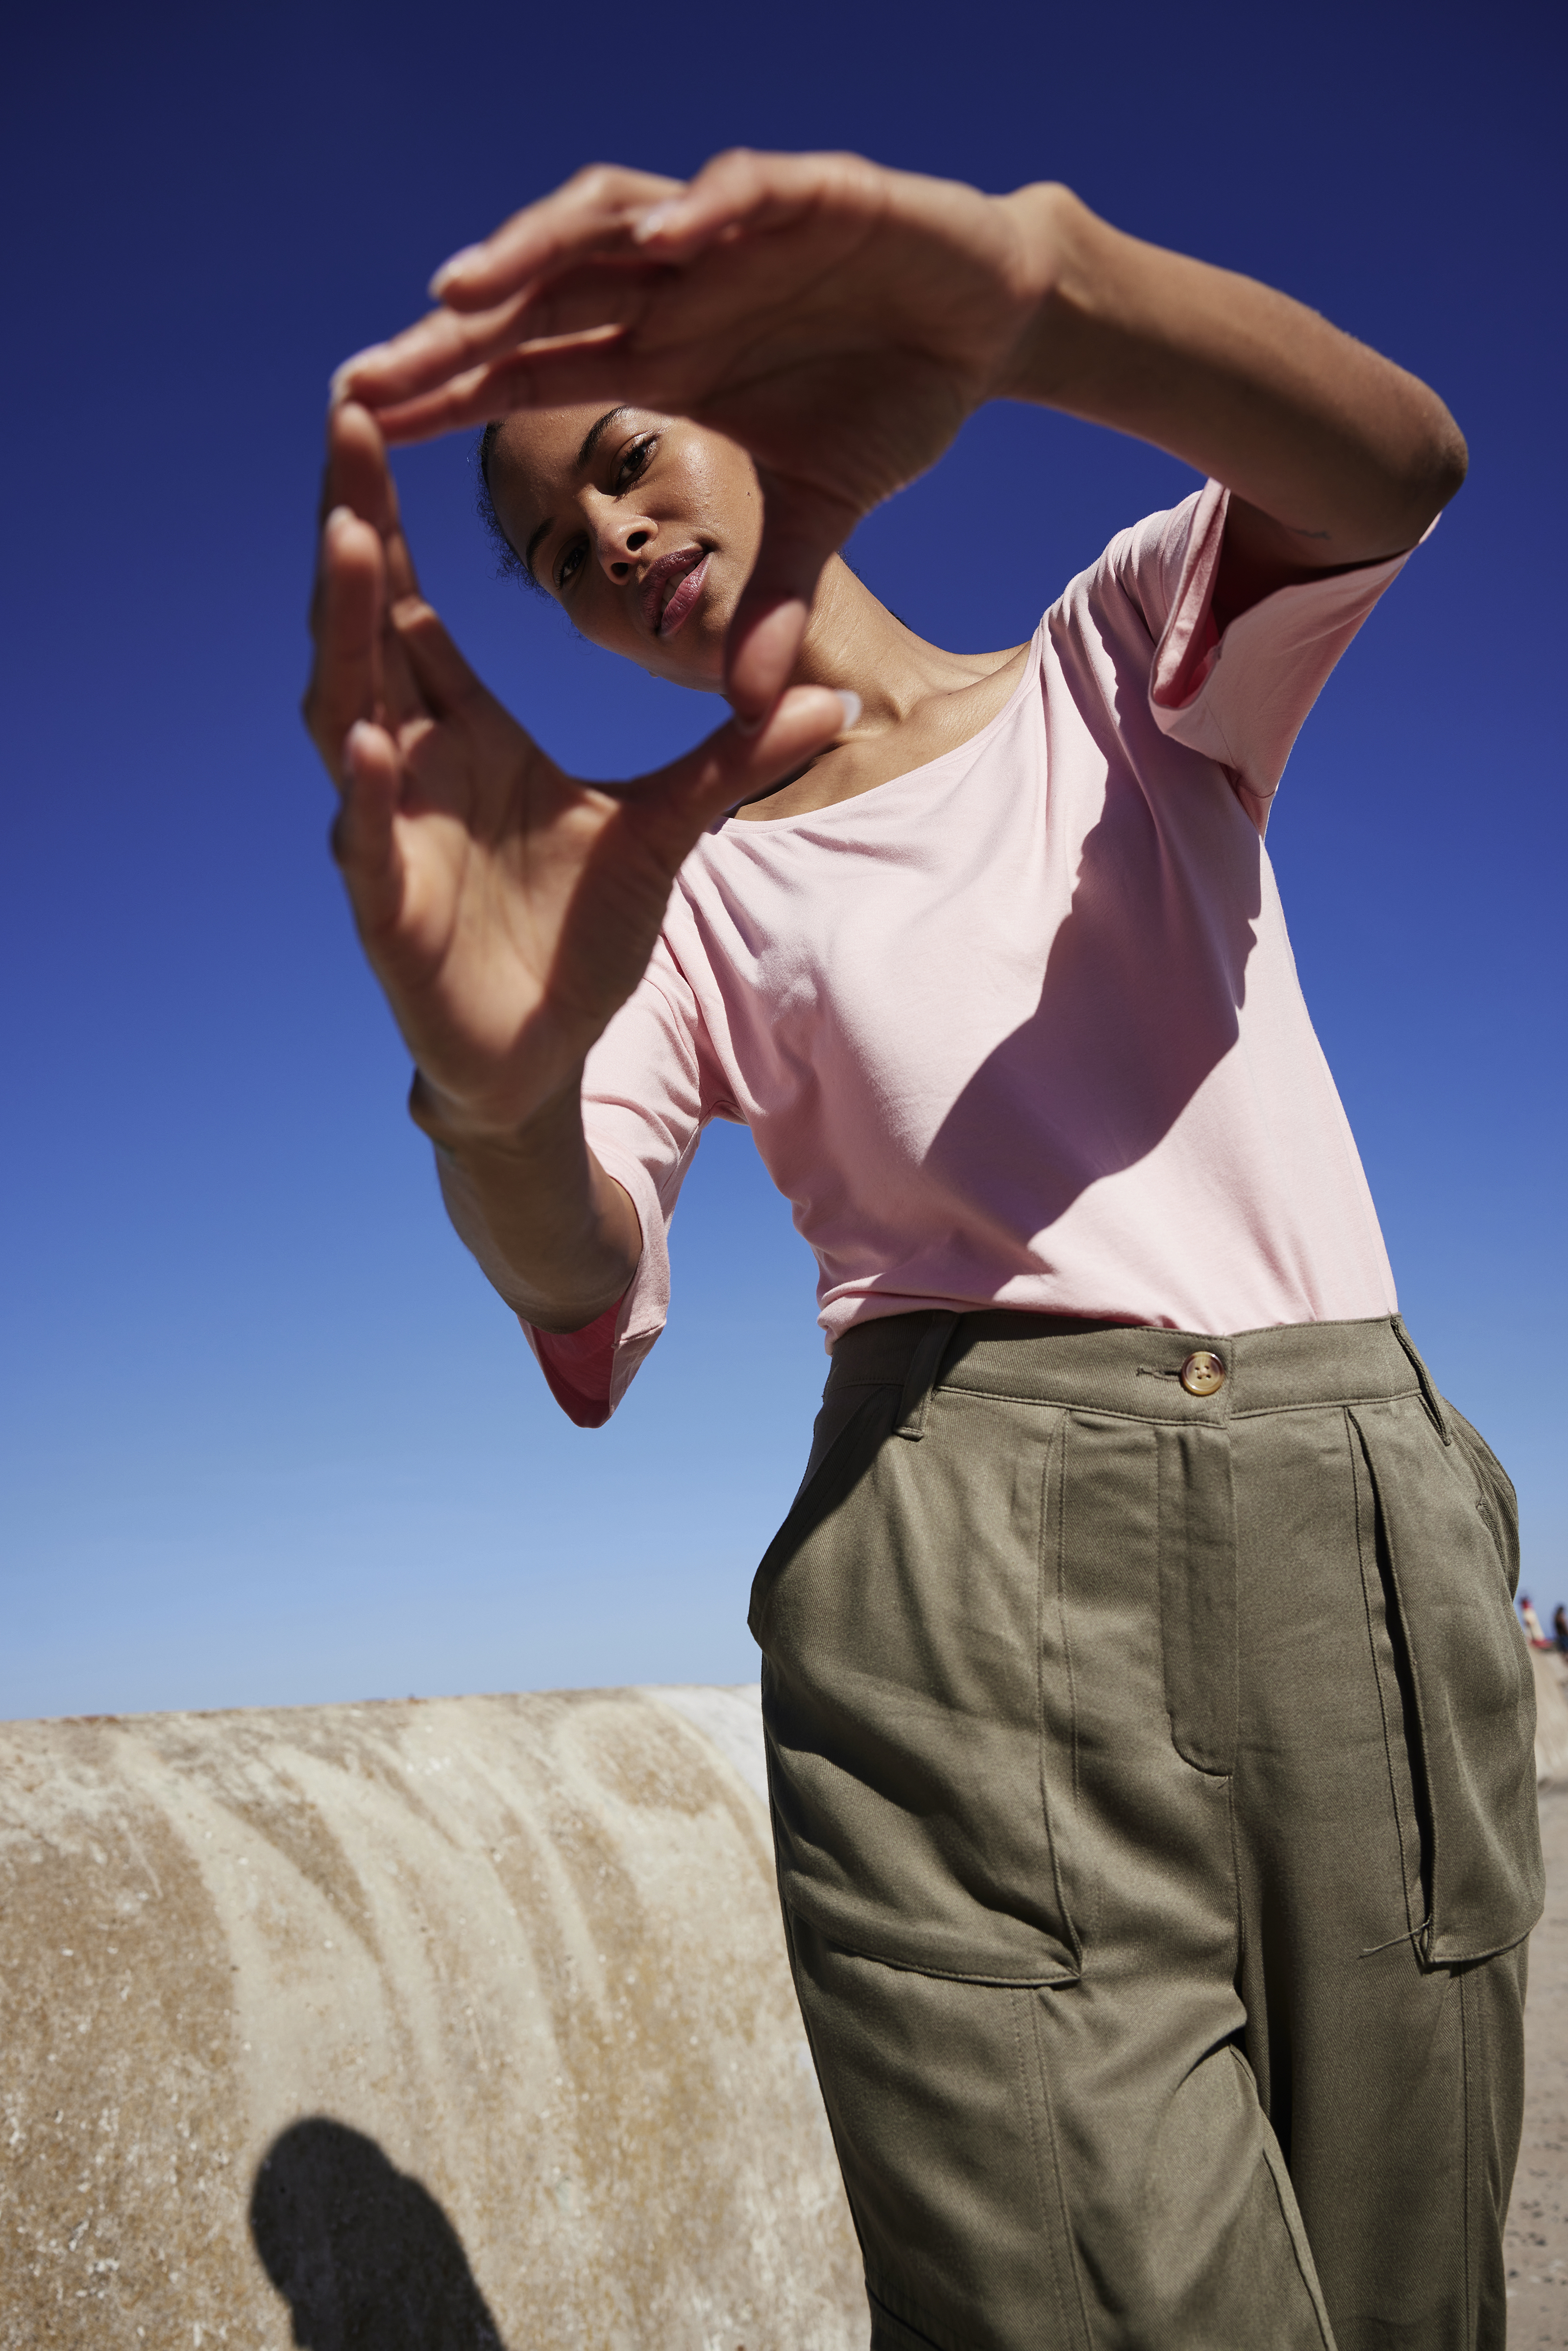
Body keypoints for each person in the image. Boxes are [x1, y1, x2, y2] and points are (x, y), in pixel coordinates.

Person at [308, 152, 1541, 2351]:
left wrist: (1049, 299)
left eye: (622, 460)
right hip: (962, 1585)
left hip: (1355, 1540)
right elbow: (579, 1288)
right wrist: (487, 1102)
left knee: (1406, 2288)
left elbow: (1393, 469)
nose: (602, 540)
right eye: (548, 551)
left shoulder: (1111, 668)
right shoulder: (665, 895)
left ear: (748, 415)